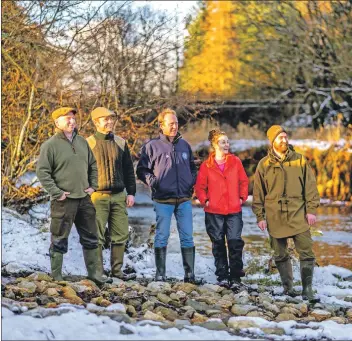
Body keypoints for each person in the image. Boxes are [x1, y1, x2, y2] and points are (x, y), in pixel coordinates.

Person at [36, 107, 110, 285]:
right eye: (66, 118)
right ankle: (57, 276)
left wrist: (93, 186)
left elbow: (93, 165)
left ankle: (95, 275)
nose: (71, 121)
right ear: (57, 123)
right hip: (63, 201)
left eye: (73, 118)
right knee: (59, 237)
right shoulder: (50, 146)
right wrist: (57, 192)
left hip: (84, 199)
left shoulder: (82, 142)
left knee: (91, 237)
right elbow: (43, 172)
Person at [252, 125, 320, 303]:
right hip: (275, 215)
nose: (284, 140)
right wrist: (260, 216)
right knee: (280, 254)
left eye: (285, 136)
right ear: (272, 141)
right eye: (280, 137)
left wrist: (311, 210)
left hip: (299, 213)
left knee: (307, 252)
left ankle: (307, 289)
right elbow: (258, 193)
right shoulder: (264, 165)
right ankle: (288, 289)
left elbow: (311, 187)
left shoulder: (299, 160)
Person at [136, 108, 198, 283]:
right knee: (161, 235)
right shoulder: (151, 147)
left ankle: (189, 275)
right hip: (163, 199)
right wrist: (154, 182)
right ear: (161, 125)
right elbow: (141, 170)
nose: (174, 126)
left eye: (176, 123)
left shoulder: (184, 145)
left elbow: (192, 168)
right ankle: (160, 274)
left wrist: (190, 182)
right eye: (171, 124)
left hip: (184, 199)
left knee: (187, 236)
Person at [87, 107, 136, 281]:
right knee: (97, 236)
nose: (109, 122)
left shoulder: (121, 143)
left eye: (111, 119)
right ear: (96, 122)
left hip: (119, 195)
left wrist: (131, 193)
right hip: (97, 197)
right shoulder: (88, 143)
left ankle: (117, 272)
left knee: (120, 234)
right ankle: (98, 273)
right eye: (105, 119)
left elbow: (129, 170)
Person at [195, 129, 249, 288]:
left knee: (235, 243)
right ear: (214, 145)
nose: (227, 144)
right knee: (218, 244)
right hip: (213, 212)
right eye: (223, 142)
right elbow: (200, 187)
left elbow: (244, 182)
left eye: (227, 141)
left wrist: (241, 198)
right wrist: (205, 201)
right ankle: (222, 276)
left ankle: (236, 277)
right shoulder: (206, 165)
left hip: (234, 211)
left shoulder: (236, 162)